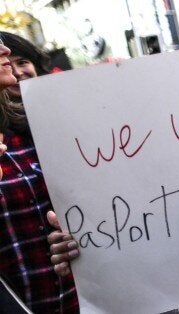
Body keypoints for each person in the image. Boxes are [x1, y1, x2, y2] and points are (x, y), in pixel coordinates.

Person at [0, 32, 80, 313]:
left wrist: (78, 237)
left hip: (73, 295)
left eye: (23, 60)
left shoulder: (57, 129)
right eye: (9, 61)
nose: (6, 54)